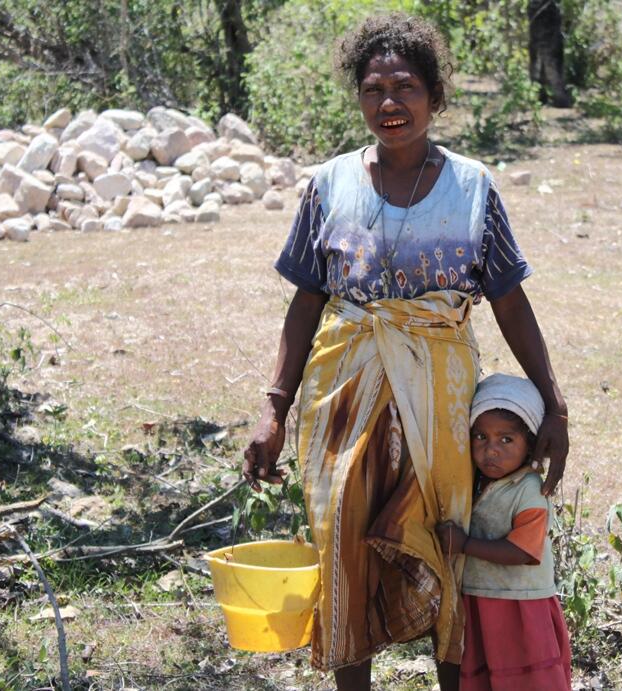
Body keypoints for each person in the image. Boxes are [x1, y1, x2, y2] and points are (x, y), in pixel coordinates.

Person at [241, 13, 568, 691]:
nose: (389, 104)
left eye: (406, 87)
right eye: (373, 89)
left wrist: (553, 404)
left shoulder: (472, 187)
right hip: (345, 387)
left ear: (435, 96)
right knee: (342, 539)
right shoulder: (328, 184)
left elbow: (507, 298)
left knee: (444, 539)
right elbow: (305, 299)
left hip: (442, 394)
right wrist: (274, 409)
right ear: (357, 99)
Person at [437, 374, 572, 690]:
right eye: (480, 437)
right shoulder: (473, 480)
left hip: (521, 608)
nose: (491, 451)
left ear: (532, 445)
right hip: (482, 604)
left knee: (524, 679)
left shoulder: (530, 491)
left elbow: (522, 551)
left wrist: (466, 544)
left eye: (506, 439)